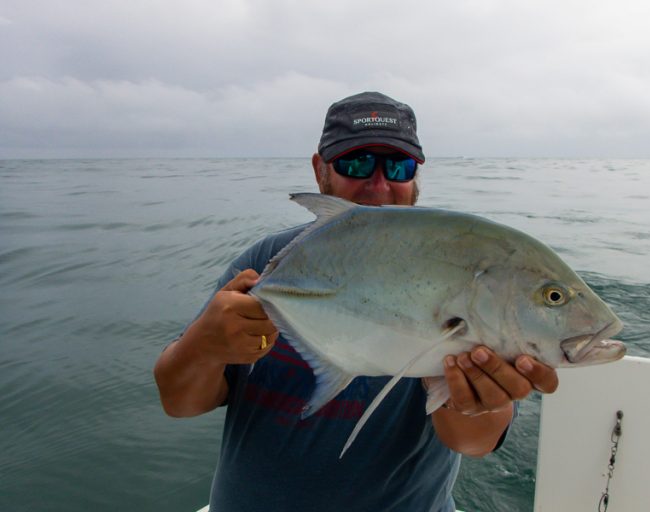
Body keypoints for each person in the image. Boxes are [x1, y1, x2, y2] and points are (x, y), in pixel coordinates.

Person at [153, 91, 559, 512]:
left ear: (416, 176)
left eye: (397, 166)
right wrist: (202, 347)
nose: (378, 185)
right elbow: (179, 401)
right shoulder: (263, 265)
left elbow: (474, 442)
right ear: (319, 170)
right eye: (356, 163)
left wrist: (471, 401)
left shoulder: (458, 278)